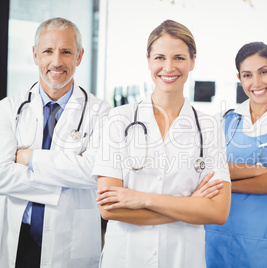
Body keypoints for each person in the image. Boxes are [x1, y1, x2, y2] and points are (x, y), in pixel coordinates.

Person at [93, 19, 231, 268]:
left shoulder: (209, 126)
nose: (169, 67)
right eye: (159, 57)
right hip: (126, 257)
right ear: (148, 60)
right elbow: (109, 209)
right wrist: (190, 205)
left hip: (182, 257)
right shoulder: (119, 119)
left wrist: (141, 198)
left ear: (192, 61)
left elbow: (218, 212)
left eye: (179, 57)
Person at [0, 17, 111, 267]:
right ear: (35, 55)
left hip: (69, 242)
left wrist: (28, 158)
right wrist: (65, 184)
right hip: (14, 236)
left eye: (66, 52)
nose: (56, 61)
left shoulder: (101, 112)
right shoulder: (8, 108)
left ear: (80, 56)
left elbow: (92, 174)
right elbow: (0, 178)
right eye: (48, 51)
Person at [204, 42, 267, 268]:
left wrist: (224, 183)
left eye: (264, 72)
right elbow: (203, 168)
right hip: (216, 236)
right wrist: (258, 170)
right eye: (248, 75)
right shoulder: (224, 120)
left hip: (264, 243)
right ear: (239, 78)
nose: (257, 83)